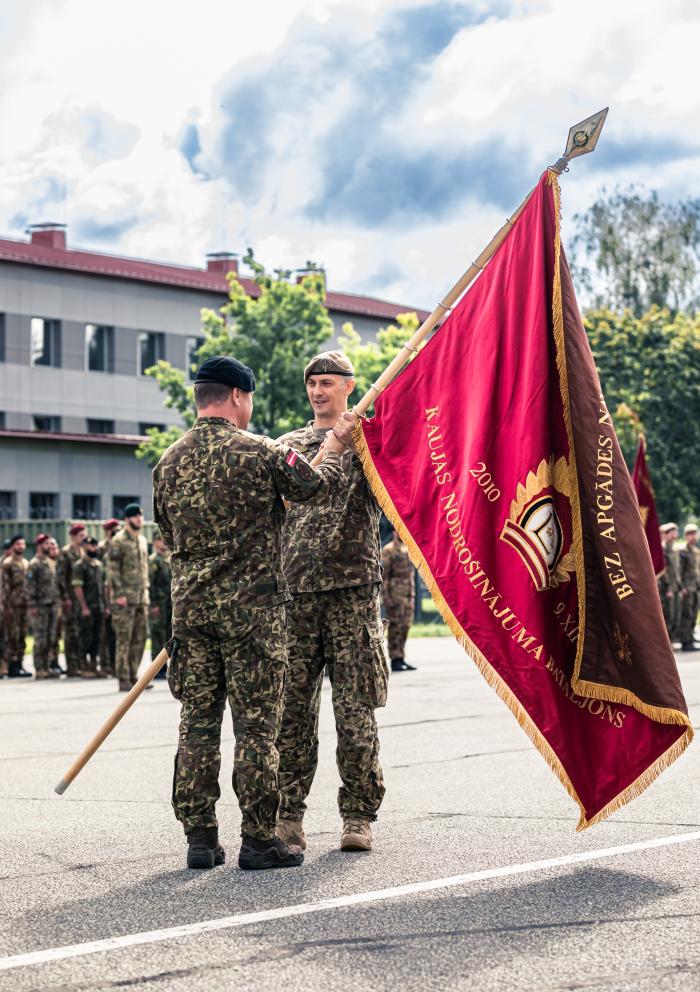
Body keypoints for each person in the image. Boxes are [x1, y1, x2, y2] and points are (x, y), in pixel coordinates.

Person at [153, 355, 352, 872]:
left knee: (196, 725)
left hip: (192, 615)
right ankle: (259, 840)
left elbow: (169, 538)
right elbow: (315, 488)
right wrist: (332, 448)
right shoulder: (261, 451)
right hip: (254, 616)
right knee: (257, 729)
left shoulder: (168, 461)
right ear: (239, 397)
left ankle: (200, 838)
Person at [275, 351, 388, 856]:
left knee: (355, 710)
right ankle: (287, 816)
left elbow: (398, 499)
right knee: (291, 713)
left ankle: (359, 814)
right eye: (312, 384)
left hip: (352, 598)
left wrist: (355, 442)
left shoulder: (370, 449)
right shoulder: (286, 449)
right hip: (294, 599)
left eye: (328, 383)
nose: (319, 392)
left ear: (349, 386)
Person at [107, 505, 150, 691]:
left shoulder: (141, 540)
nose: (139, 519)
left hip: (141, 597)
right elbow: (112, 570)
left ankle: (134, 675)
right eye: (135, 516)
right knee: (124, 639)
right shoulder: (118, 541)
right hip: (124, 599)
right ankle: (123, 677)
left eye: (140, 515)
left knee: (139, 639)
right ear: (127, 519)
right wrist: (119, 595)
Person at [381, 530, 417, 671]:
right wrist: (386, 598)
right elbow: (384, 577)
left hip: (408, 595)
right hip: (395, 595)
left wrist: (412, 594)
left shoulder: (408, 548)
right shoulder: (389, 550)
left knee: (405, 627)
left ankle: (401, 657)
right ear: (395, 532)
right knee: (395, 627)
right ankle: (395, 659)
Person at [73, 536, 109, 677]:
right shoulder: (79, 565)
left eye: (95, 545)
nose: (94, 548)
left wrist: (106, 606)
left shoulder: (99, 565)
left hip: (99, 607)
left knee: (97, 637)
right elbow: (77, 587)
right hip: (87, 607)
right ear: (84, 547)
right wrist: (83, 607)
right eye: (90, 545)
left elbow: (104, 587)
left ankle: (94, 665)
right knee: (84, 636)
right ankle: (84, 666)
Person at [27, 534, 60, 680]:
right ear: (39, 546)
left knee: (51, 637)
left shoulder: (49, 562)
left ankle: (47, 666)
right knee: (40, 637)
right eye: (46, 543)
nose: (49, 546)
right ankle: (39, 668)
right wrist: (32, 604)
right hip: (40, 605)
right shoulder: (34, 564)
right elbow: (29, 586)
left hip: (52, 604)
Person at [56, 524, 88, 676]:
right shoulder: (65, 553)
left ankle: (80, 664)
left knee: (80, 631)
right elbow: (60, 577)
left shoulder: (83, 551)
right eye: (81, 536)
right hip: (69, 597)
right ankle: (71, 665)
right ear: (73, 536)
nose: (83, 538)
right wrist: (64, 597)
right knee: (70, 632)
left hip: (81, 598)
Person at [1, 535, 31, 678]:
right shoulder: (7, 564)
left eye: (23, 544)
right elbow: (4, 587)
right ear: (13, 546)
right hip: (12, 605)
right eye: (18, 544)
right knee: (12, 636)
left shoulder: (25, 563)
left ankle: (19, 663)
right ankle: (11, 666)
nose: (21, 547)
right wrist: (6, 606)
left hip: (24, 605)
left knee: (22, 635)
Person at [148, 532, 172, 679]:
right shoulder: (153, 560)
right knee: (157, 634)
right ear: (154, 542)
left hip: (169, 604)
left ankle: (166, 666)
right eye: (159, 539)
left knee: (167, 634)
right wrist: (153, 604)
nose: (162, 542)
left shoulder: (167, 558)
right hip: (158, 603)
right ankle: (157, 669)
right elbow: (149, 584)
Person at [98, 518, 120, 672]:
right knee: (107, 633)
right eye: (112, 530)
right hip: (105, 591)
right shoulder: (102, 548)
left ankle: (115, 664)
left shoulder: (121, 545)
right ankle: (107, 664)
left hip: (119, 591)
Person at [658, 523, 681, 642]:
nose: (673, 535)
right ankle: (666, 642)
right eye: (670, 533)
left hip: (676, 587)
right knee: (668, 615)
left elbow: (677, 570)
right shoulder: (662, 549)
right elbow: (663, 571)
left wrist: (680, 587)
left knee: (676, 615)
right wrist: (668, 589)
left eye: (674, 532)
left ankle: (671, 639)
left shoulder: (675, 549)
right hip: (668, 589)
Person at [678, 523, 699, 651]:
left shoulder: (696, 551)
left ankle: (690, 637)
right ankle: (685, 642)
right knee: (686, 614)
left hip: (695, 587)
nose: (693, 537)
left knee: (694, 614)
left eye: (695, 534)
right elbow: (679, 571)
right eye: (690, 534)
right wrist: (682, 588)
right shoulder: (683, 551)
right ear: (686, 536)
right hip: (687, 588)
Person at [46, 537, 64, 674]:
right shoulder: (41, 564)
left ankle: (54, 662)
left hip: (58, 604)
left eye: (55, 546)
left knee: (56, 635)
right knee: (45, 636)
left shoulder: (59, 564)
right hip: (45, 606)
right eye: (50, 547)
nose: (53, 549)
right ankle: (45, 665)